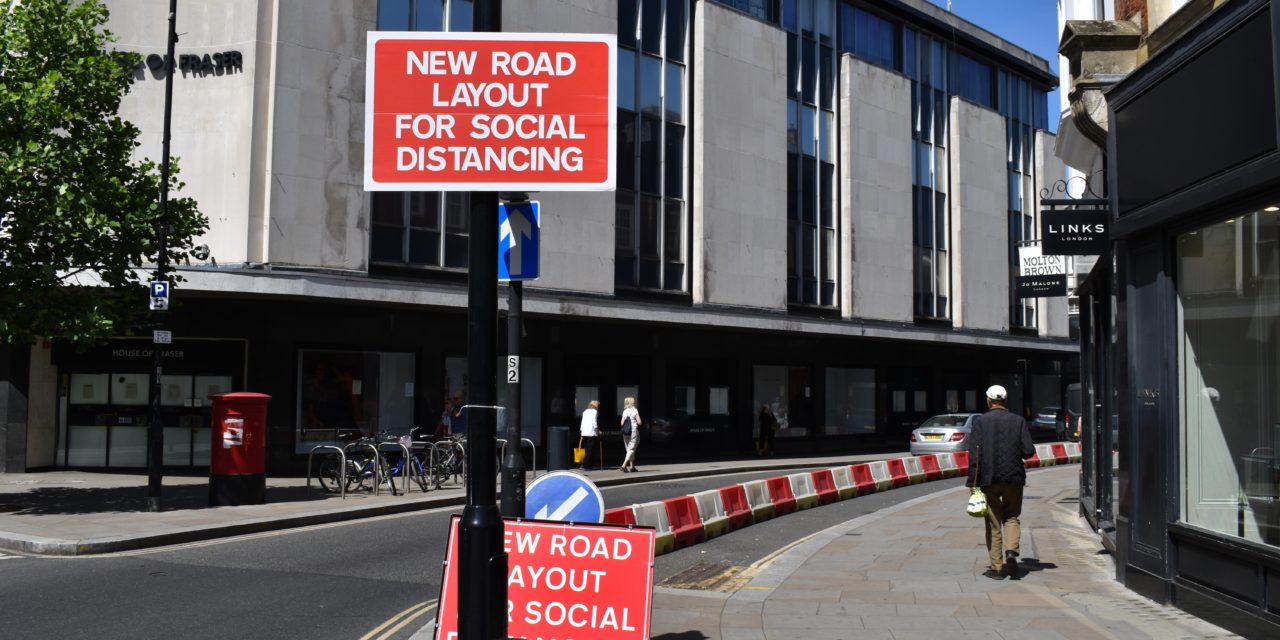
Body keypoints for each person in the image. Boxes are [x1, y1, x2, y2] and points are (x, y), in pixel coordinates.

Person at [966, 384, 1036, 580]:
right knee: (1012, 516)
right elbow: (1028, 451)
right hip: (1014, 477)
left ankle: (997, 568)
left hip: (988, 479)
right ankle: (1011, 551)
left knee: (994, 522)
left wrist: (972, 482)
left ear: (989, 401)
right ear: (1005, 401)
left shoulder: (980, 422)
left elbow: (975, 455)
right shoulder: (1018, 421)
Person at [619, 397, 642, 472]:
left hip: (625, 432)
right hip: (633, 430)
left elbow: (621, 423)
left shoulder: (625, 411)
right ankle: (623, 465)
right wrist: (638, 422)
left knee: (629, 449)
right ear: (632, 402)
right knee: (631, 449)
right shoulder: (634, 410)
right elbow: (639, 422)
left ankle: (632, 466)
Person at [578, 400, 600, 471]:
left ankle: (590, 465)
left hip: (584, 432)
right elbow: (594, 422)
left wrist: (581, 431)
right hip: (591, 433)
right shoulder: (594, 412)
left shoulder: (585, 412)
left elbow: (582, 422)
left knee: (587, 449)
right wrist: (597, 430)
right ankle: (585, 465)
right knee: (590, 450)